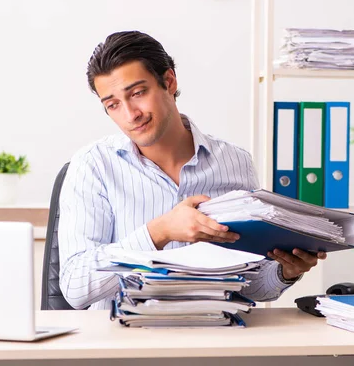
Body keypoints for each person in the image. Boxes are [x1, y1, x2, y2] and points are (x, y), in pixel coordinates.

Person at [58, 30, 327, 310]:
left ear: (169, 81)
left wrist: (286, 271)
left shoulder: (235, 162)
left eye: (138, 93)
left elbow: (252, 285)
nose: (130, 114)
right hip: (126, 343)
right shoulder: (93, 166)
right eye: (113, 105)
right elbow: (76, 287)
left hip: (215, 335)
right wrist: (158, 233)